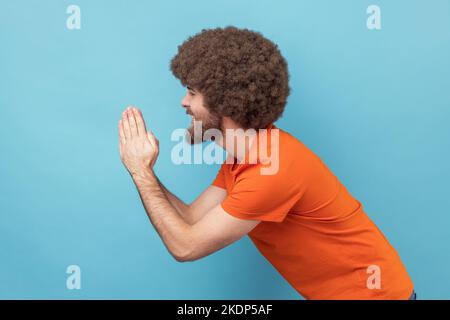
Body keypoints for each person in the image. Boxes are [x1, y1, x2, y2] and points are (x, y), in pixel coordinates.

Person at [118, 26, 414, 299]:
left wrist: (140, 172)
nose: (184, 102)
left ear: (223, 102)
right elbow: (191, 218)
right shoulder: (243, 157)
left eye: (192, 93)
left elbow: (185, 247)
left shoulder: (272, 168)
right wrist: (145, 171)